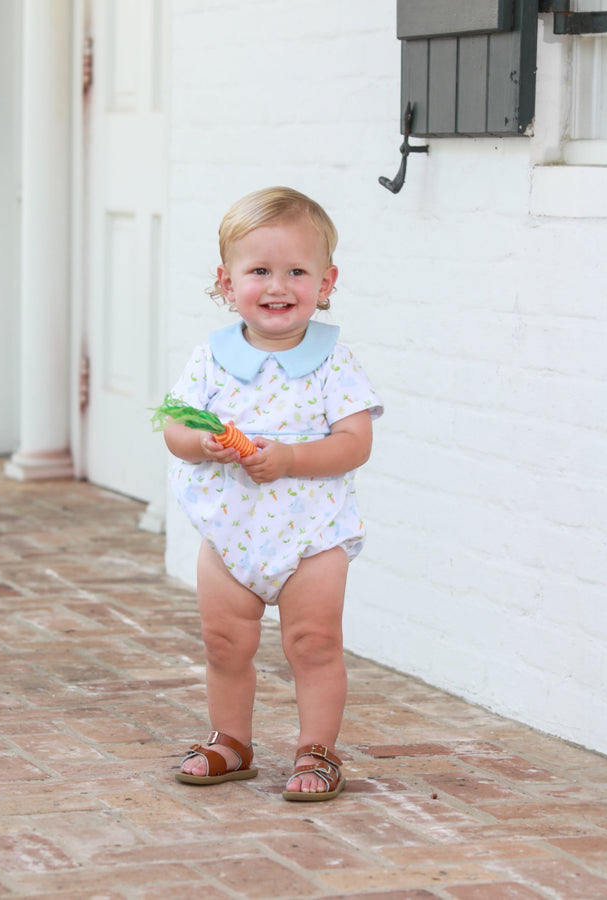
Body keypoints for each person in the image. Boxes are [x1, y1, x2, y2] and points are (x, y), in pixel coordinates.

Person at [163, 186, 383, 801]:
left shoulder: (334, 361)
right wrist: (201, 444)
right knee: (224, 640)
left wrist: (288, 457)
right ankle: (231, 740)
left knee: (312, 642)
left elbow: (354, 443)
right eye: (259, 270)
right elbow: (175, 427)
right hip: (231, 532)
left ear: (326, 280)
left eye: (296, 271)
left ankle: (318, 750)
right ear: (227, 282)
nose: (278, 285)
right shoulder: (211, 358)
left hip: (313, 534)